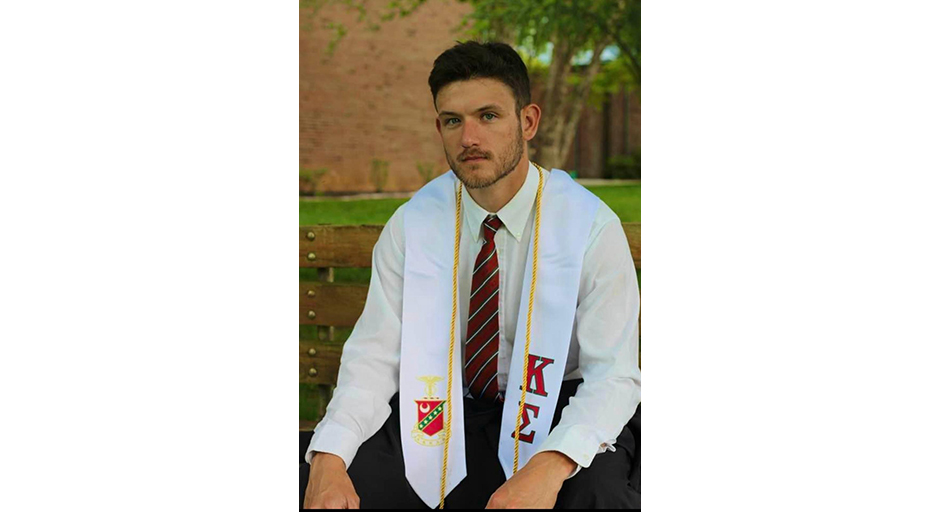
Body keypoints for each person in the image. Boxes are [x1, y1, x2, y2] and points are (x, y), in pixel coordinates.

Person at [301, 41, 640, 509]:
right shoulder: (413, 224)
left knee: (594, 494)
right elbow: (375, 359)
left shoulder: (589, 227)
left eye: (488, 116)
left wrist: (549, 465)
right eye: (452, 120)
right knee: (339, 488)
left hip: (563, 407)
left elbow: (613, 377)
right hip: (444, 406)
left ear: (528, 122)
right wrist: (328, 459)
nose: (468, 138)